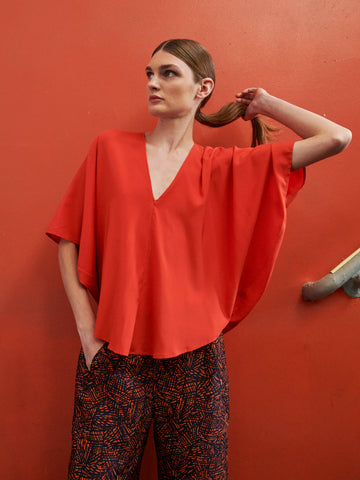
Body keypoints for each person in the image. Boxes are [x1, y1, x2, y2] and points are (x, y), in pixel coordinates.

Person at [46, 39, 351, 480]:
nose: (153, 82)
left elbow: (337, 138)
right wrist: (86, 331)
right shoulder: (109, 149)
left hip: (195, 357)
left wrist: (265, 103)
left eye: (168, 73)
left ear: (202, 87)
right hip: (113, 352)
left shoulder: (226, 168)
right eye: (149, 73)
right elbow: (68, 238)